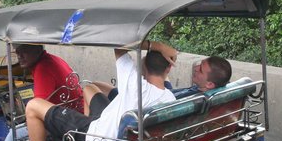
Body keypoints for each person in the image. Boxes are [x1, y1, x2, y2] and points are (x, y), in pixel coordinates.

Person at [13, 41, 177, 141]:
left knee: (33, 106)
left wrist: (156, 46)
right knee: (89, 88)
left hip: (98, 139)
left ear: (143, 64)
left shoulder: (135, 84)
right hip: (116, 134)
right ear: (169, 68)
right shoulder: (170, 98)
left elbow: (120, 44)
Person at [0, 44, 81, 141]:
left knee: (13, 134)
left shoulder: (43, 68)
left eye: (24, 51)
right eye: (17, 52)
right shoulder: (54, 59)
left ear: (38, 50)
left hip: (62, 122)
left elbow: (38, 108)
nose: (20, 56)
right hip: (71, 113)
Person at [99, 55, 232, 100]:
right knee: (155, 61)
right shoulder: (204, 90)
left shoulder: (191, 101)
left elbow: (163, 100)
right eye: (199, 64)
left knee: (95, 86)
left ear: (209, 84)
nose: (196, 68)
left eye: (201, 70)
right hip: (168, 93)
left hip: (156, 98)